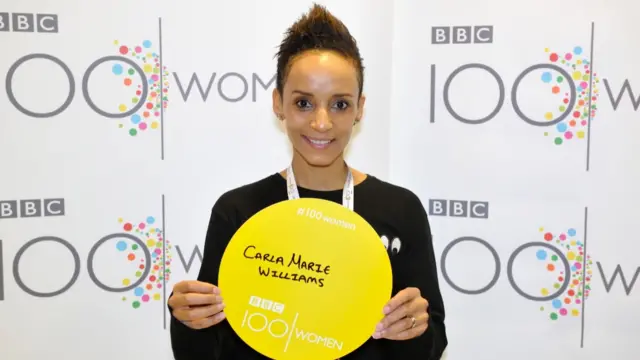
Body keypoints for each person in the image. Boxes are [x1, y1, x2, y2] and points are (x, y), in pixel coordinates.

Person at [168, 3, 447, 359]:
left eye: (340, 105)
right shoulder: (238, 211)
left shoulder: (400, 209)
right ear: (278, 103)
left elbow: (432, 345)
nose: (321, 122)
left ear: (360, 108)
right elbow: (206, 353)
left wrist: (414, 329)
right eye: (303, 103)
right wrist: (188, 320)